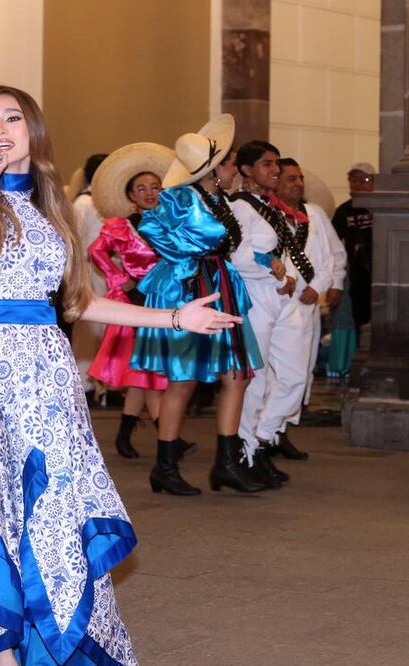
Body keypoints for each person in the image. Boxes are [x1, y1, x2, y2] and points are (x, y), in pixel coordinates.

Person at [0, 85, 239, 666]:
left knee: (41, 506)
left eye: (12, 118)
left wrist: (174, 315)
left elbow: (78, 302)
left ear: (33, 131)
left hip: (43, 376)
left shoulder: (51, 209)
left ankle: (35, 636)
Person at [130, 114, 267, 495]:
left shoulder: (218, 199)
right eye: (228, 161)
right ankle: (165, 467)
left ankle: (226, 463)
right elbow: (149, 228)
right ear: (214, 168)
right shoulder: (179, 197)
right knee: (183, 380)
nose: (233, 167)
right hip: (190, 289)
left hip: (221, 285)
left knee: (238, 374)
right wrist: (191, 254)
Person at [86, 142, 173, 458]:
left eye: (155, 187)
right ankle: (169, 437)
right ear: (131, 195)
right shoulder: (123, 226)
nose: (150, 193)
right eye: (142, 188)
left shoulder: (169, 223)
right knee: (151, 373)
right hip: (137, 302)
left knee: (144, 372)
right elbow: (95, 251)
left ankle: (125, 435)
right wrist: (118, 277)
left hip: (165, 301)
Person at [228, 140, 307, 487]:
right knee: (257, 379)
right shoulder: (240, 208)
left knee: (293, 376)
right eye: (266, 164)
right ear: (246, 170)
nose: (274, 170)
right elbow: (236, 256)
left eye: (275, 164)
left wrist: (284, 273)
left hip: (279, 294)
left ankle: (261, 438)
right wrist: (269, 266)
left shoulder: (270, 206)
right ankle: (247, 451)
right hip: (255, 296)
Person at [274, 163, 347, 460]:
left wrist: (324, 285)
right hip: (277, 304)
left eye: (300, 178)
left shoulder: (314, 214)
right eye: (291, 178)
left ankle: (281, 431)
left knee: (301, 370)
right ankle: (265, 434)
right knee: (276, 373)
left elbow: (333, 254)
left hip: (307, 304)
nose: (298, 183)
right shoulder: (268, 216)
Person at [70, 152, 108, 402]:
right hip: (87, 268)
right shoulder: (83, 204)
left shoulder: (102, 201)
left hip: (103, 269)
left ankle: (101, 381)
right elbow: (76, 240)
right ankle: (84, 382)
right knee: (89, 328)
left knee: (104, 329)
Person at [331, 162, 376, 337]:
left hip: (382, 273)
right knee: (360, 319)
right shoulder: (344, 211)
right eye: (352, 179)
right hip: (358, 276)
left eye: (363, 179)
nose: (356, 184)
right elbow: (332, 244)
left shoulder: (382, 208)